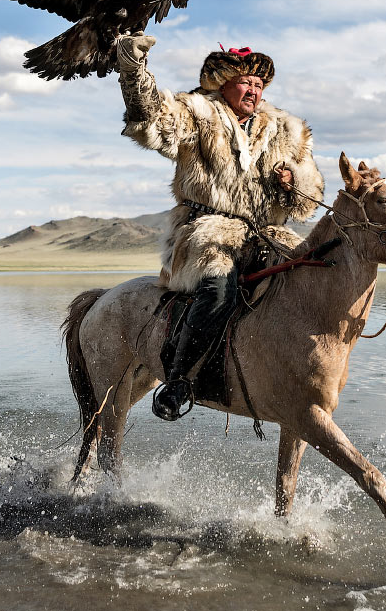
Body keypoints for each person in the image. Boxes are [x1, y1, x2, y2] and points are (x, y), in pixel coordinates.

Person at [116, 34, 324, 420]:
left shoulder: (288, 131)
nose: (255, 90)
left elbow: (310, 198)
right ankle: (177, 381)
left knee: (311, 280)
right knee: (218, 291)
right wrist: (133, 72)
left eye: (260, 85)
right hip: (208, 231)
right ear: (221, 83)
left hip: (270, 234)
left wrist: (294, 182)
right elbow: (152, 125)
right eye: (246, 82)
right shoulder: (196, 112)